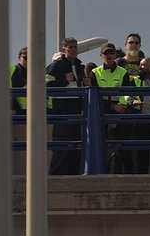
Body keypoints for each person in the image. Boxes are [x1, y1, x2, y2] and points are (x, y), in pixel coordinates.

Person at [45, 36, 89, 175]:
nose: (73, 50)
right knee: (61, 146)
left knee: (76, 145)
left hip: (77, 111)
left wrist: (87, 83)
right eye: (70, 47)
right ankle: (55, 176)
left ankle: (74, 175)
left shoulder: (79, 65)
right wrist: (64, 80)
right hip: (62, 112)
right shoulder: (56, 66)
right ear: (64, 50)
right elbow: (45, 86)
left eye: (75, 47)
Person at [91, 43, 138, 173]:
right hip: (101, 112)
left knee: (124, 145)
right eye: (106, 53)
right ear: (101, 56)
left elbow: (125, 93)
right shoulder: (95, 73)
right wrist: (112, 106)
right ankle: (98, 174)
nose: (109, 56)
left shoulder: (123, 72)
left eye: (111, 53)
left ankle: (129, 175)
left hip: (120, 112)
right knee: (98, 146)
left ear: (115, 55)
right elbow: (94, 97)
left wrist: (120, 108)